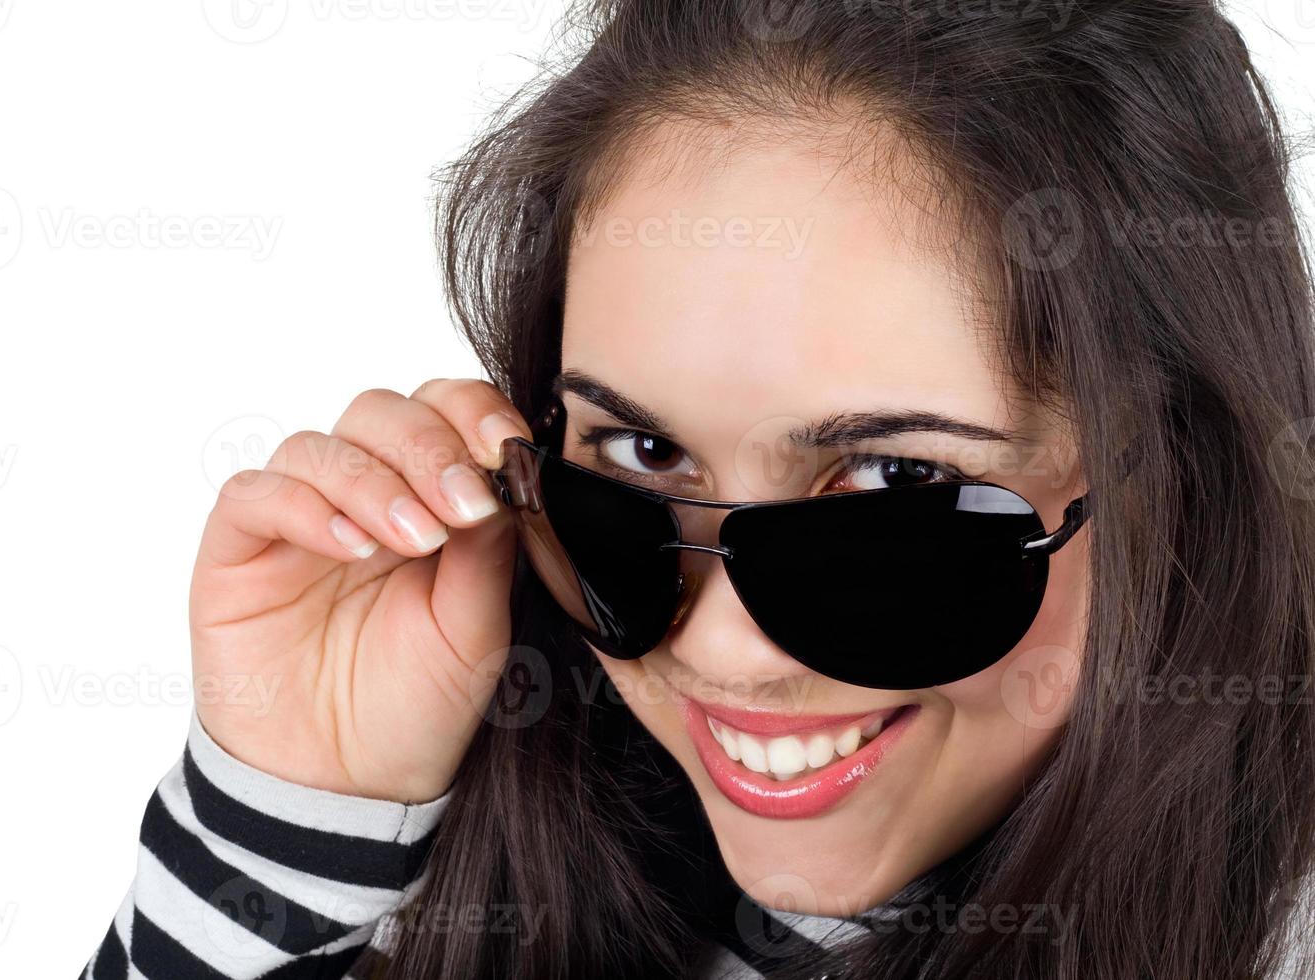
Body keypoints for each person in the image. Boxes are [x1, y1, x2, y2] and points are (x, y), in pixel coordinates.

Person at [81, 1, 1315, 977]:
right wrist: (291, 805)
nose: (721, 648)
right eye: (641, 458)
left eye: (895, 482)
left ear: (1186, 487)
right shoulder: (527, 857)